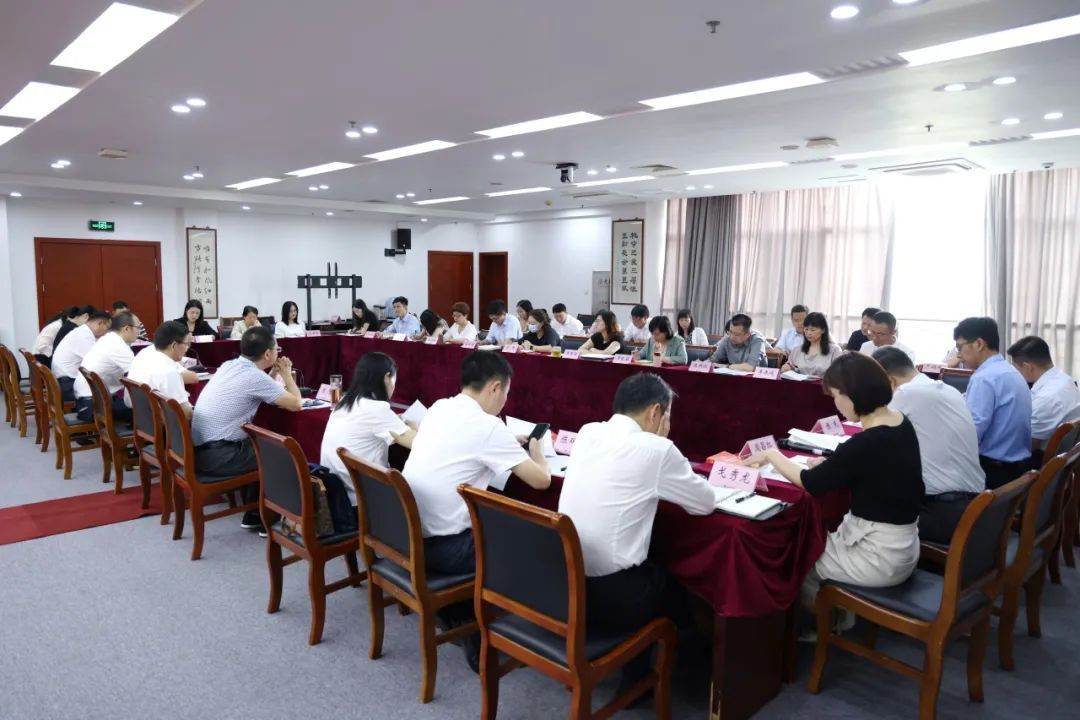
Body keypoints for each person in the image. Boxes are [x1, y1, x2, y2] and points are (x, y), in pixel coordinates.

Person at [559, 373, 719, 684]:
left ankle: (639, 666)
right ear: (655, 412)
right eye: (668, 416)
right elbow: (705, 503)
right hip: (615, 595)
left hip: (563, 582)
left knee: (652, 561)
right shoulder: (657, 449)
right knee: (680, 583)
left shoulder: (588, 431)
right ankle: (658, 673)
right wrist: (665, 447)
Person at [745, 354, 923, 627]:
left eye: (836, 396)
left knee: (795, 557)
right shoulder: (900, 422)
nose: (835, 403)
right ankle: (837, 617)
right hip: (903, 546)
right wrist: (833, 466)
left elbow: (811, 483)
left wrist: (772, 455)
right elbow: (871, 468)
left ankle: (823, 628)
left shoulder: (866, 442)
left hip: (878, 557)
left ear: (852, 395)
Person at [402, 351, 550, 670]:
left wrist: (507, 440)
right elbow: (541, 481)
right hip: (446, 548)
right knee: (534, 541)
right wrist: (537, 451)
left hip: (407, 537)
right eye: (506, 393)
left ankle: (457, 614)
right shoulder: (488, 427)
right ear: (495, 387)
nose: (505, 402)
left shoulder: (440, 407)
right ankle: (490, 631)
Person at [191, 326, 303, 533]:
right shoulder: (254, 377)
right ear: (268, 354)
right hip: (219, 456)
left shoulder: (229, 365)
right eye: (277, 349)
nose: (278, 352)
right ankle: (267, 519)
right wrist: (287, 375)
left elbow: (259, 386)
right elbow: (296, 404)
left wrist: (274, 372)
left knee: (259, 444)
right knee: (281, 453)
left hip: (199, 451)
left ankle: (254, 514)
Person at [873, 347, 986, 544]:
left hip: (943, 514)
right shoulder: (948, 390)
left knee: (865, 515)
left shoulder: (905, 393)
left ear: (889, 381)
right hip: (977, 507)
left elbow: (874, 440)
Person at [320, 352, 416, 500]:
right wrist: (414, 424)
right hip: (364, 499)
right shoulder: (377, 409)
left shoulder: (344, 402)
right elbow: (419, 443)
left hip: (337, 494)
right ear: (387, 377)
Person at [953, 317, 1032, 489]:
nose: (958, 355)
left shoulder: (984, 378)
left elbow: (972, 432)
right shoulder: (1010, 371)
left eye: (960, 347)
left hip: (993, 473)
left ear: (979, 344)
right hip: (1018, 469)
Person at [1007, 335, 1080, 449]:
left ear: (1028, 367)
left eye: (1016, 368)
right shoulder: (1064, 379)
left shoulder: (1046, 398)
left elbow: (1026, 445)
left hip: (1038, 454)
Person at [71, 311, 141, 423]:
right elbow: (138, 376)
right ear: (127, 328)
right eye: (138, 327)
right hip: (94, 407)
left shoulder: (108, 339)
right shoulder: (119, 346)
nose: (139, 332)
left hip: (85, 402)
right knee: (149, 410)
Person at [126, 321, 195, 419]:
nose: (187, 349)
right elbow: (185, 414)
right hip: (162, 424)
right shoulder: (169, 372)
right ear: (174, 345)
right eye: (186, 344)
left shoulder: (144, 353)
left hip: (140, 418)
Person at [51, 310, 112, 401]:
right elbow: (97, 364)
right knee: (108, 395)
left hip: (62, 382)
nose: (106, 333)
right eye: (107, 328)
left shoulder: (82, 331)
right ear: (100, 323)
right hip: (67, 385)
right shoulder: (84, 336)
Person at [782, 312, 844, 377]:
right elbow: (789, 367)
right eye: (806, 329)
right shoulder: (797, 350)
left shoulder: (835, 350)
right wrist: (787, 367)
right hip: (799, 383)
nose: (809, 333)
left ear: (823, 330)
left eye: (813, 330)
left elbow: (839, 375)